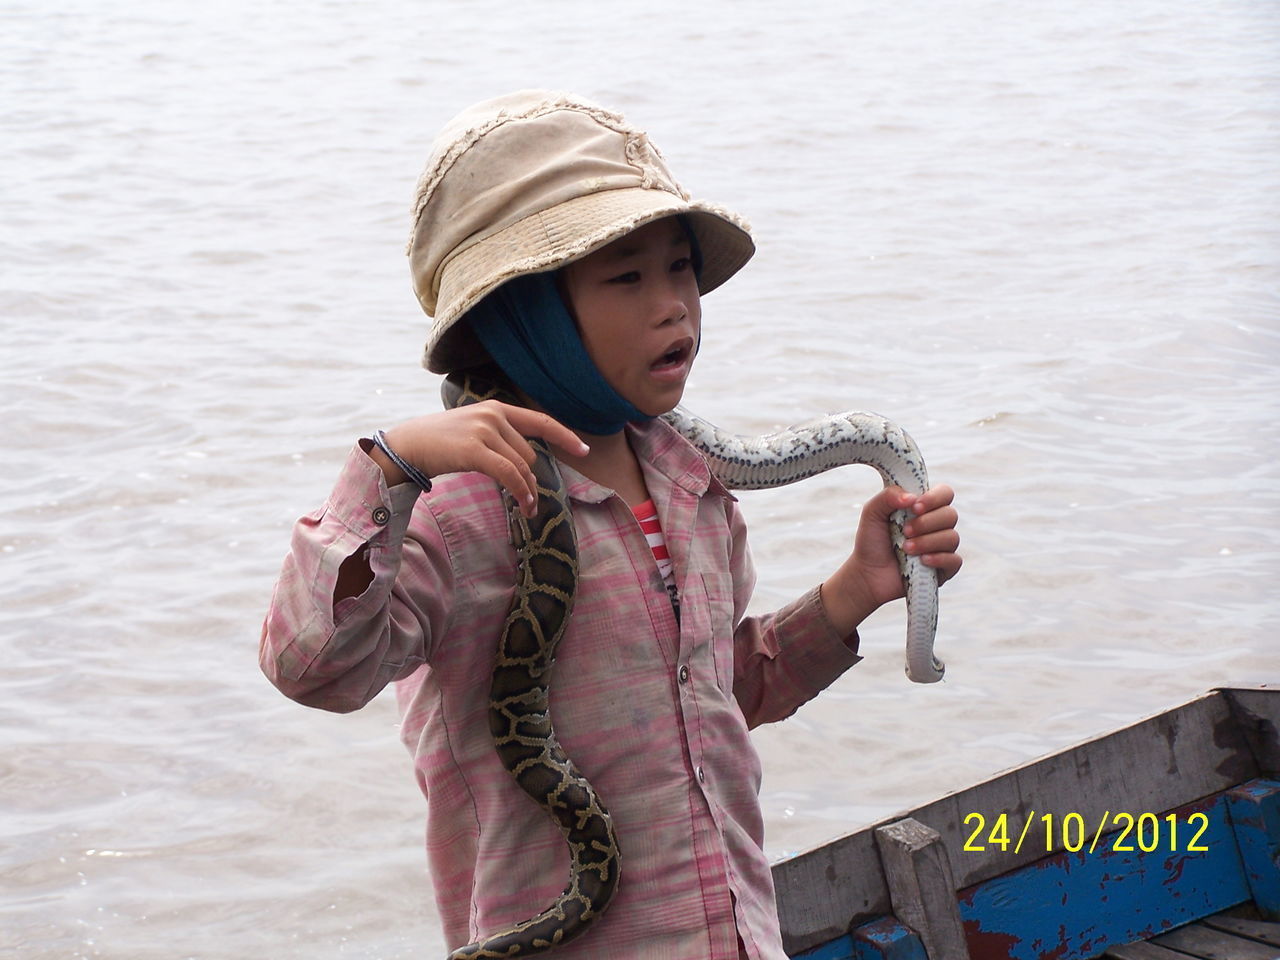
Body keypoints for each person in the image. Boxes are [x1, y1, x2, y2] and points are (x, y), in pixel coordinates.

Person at [259, 90, 961, 960]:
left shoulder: (692, 486)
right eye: (627, 277)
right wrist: (390, 463)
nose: (674, 306)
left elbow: (709, 701)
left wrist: (855, 591)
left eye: (680, 269)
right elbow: (310, 667)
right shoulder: (455, 510)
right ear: (526, 315)